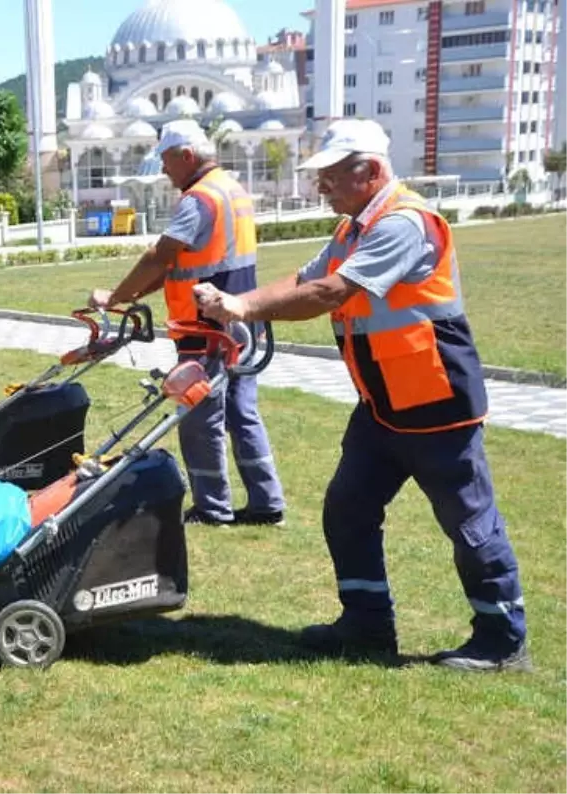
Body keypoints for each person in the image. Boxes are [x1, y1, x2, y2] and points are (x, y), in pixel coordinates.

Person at [193, 118, 531, 672]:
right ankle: (367, 625)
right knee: (347, 509)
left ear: (369, 171)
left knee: (470, 523)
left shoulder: (404, 224)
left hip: (435, 404)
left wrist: (244, 309)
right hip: (382, 407)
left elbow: (331, 292)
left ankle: (502, 639)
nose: (319, 188)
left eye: (329, 178)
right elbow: (307, 278)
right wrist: (241, 302)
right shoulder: (355, 229)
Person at [89, 119, 286, 527]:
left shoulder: (199, 200)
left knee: (200, 419)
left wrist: (116, 297)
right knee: (242, 412)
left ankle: (213, 508)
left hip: (206, 328)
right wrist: (134, 295)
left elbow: (160, 256)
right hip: (243, 319)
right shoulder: (233, 190)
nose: (163, 170)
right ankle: (268, 502)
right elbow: (180, 265)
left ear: (187, 156)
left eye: (166, 160)